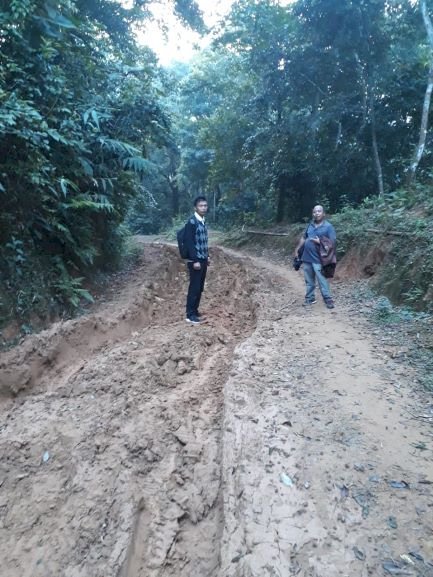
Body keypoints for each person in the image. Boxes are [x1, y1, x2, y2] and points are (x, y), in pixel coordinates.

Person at [294, 205, 336, 309]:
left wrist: (320, 241)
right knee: (309, 281)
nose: (316, 213)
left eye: (319, 211)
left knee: (322, 280)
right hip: (307, 258)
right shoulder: (310, 225)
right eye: (314, 212)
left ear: (323, 213)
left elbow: (332, 242)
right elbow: (304, 237)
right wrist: (297, 249)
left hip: (319, 259)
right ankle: (310, 298)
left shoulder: (328, 227)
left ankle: (328, 299)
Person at [184, 196, 210, 324]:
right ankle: (190, 315)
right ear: (196, 207)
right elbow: (189, 243)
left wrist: (207, 256)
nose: (204, 208)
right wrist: (195, 261)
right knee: (194, 287)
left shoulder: (203, 221)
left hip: (203, 259)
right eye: (201, 206)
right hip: (196, 261)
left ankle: (195, 310)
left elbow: (204, 241)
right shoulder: (192, 222)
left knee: (199, 287)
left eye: (205, 205)